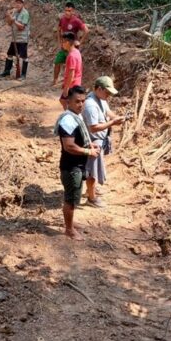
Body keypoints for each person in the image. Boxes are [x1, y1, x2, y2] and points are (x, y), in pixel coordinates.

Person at [53, 86, 100, 241]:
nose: (81, 104)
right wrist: (88, 152)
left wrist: (89, 145)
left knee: (74, 197)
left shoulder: (75, 116)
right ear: (68, 102)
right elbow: (69, 146)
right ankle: (69, 230)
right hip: (71, 167)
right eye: (77, 101)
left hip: (76, 166)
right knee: (71, 199)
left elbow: (79, 139)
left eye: (83, 101)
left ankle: (71, 223)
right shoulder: (67, 120)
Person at [81, 76, 124, 208]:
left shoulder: (101, 99)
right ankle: (91, 198)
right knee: (92, 171)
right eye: (107, 92)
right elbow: (93, 128)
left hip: (99, 140)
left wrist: (116, 117)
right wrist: (112, 122)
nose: (109, 96)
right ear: (99, 89)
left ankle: (90, 190)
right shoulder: (90, 105)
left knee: (94, 169)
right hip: (92, 143)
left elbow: (107, 111)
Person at [53, 2, 88, 86]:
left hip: (72, 48)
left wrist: (80, 42)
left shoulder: (76, 21)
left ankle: (68, 83)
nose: (67, 12)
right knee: (57, 62)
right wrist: (59, 41)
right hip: (64, 47)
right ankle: (55, 80)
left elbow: (86, 30)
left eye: (69, 10)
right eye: (65, 10)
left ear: (73, 11)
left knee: (70, 66)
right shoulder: (62, 19)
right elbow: (58, 29)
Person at [0, 0, 31, 80]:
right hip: (15, 38)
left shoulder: (25, 13)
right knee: (9, 54)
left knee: (23, 56)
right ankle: (7, 71)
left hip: (23, 39)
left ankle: (23, 75)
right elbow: (9, 23)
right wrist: (8, 17)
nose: (18, 4)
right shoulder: (15, 12)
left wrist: (14, 21)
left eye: (20, 3)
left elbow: (22, 27)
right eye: (17, 2)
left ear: (23, 4)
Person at [58, 32, 82, 110]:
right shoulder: (76, 52)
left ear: (67, 42)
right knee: (66, 102)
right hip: (76, 83)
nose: (62, 44)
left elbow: (71, 74)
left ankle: (69, 116)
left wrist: (66, 88)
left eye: (63, 42)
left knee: (64, 101)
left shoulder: (71, 56)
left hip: (72, 85)